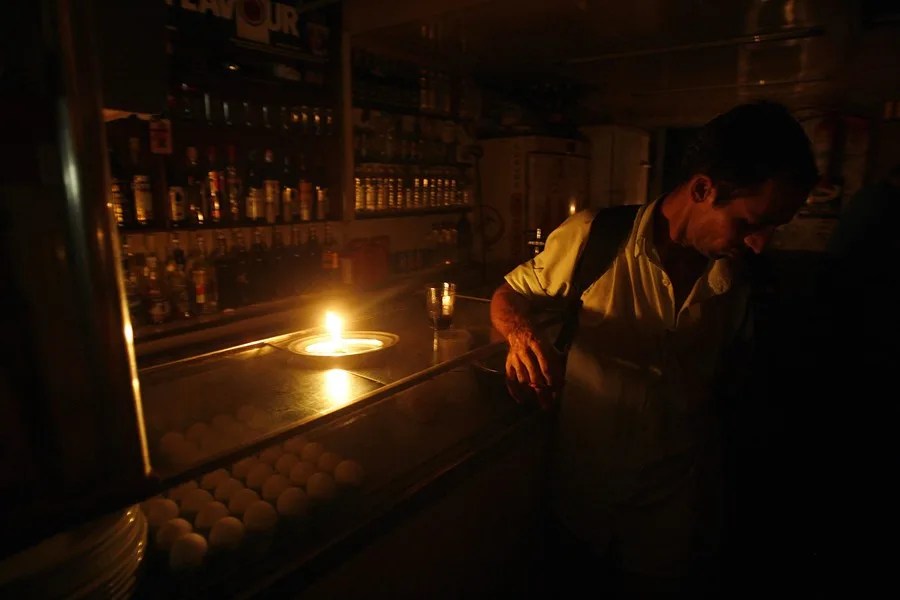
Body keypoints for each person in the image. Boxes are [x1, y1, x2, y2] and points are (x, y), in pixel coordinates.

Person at [489, 101, 818, 597]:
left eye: (775, 228)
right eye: (753, 222)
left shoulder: (747, 281)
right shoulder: (595, 238)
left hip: (674, 519)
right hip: (581, 501)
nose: (759, 244)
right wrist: (521, 334)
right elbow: (510, 293)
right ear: (704, 189)